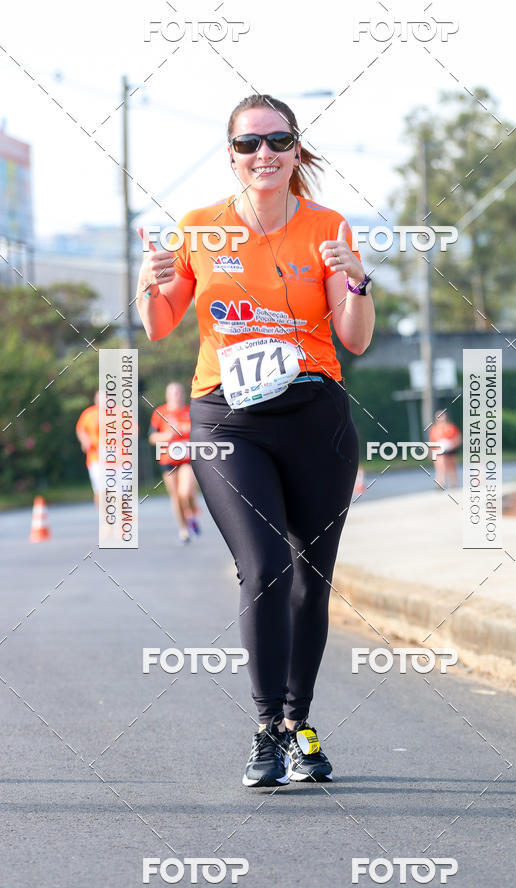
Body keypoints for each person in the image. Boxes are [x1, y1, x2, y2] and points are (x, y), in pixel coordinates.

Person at [135, 93, 375, 788]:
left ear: (296, 149)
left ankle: (300, 724)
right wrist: (148, 282)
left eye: (277, 140)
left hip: (315, 417)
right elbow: (159, 324)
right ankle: (268, 727)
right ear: (231, 155)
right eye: (249, 144)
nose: (263, 154)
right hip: (227, 420)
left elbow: (356, 337)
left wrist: (356, 280)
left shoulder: (328, 227)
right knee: (265, 565)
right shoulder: (200, 228)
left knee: (310, 576)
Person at [149, 382, 201, 543]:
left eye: (179, 392)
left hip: (187, 459)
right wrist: (166, 436)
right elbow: (152, 437)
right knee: (176, 497)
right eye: (173, 393)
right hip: (168, 460)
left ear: (184, 394)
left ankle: (192, 515)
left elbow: (201, 432)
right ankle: (184, 529)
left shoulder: (191, 411)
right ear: (167, 395)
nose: (177, 395)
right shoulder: (160, 413)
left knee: (185, 492)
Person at [76, 391, 100, 506]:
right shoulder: (89, 414)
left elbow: (133, 429)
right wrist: (84, 440)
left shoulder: (118, 412)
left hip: (116, 460)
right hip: (95, 458)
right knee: (100, 490)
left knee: (118, 491)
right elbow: (80, 429)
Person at [428, 409, 461, 489]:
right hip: (438, 450)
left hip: (450, 449)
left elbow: (458, 439)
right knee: (440, 466)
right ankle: (440, 483)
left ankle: (454, 483)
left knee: (451, 466)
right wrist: (430, 452)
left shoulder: (451, 427)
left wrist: (452, 445)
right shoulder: (434, 429)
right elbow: (431, 441)